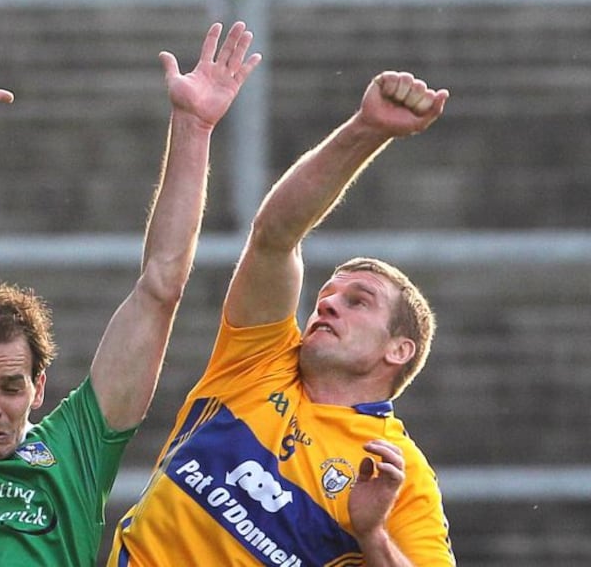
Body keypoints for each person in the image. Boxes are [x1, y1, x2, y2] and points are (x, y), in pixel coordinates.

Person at [0, 23, 262, 567]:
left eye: (10, 386)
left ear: (38, 387)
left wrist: (194, 126)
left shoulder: (75, 452)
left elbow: (161, 287)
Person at [109, 71, 454, 566]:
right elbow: (275, 236)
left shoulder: (397, 472)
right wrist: (366, 127)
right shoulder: (258, 359)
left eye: (358, 301)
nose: (328, 303)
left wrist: (372, 533)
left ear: (398, 349)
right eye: (327, 294)